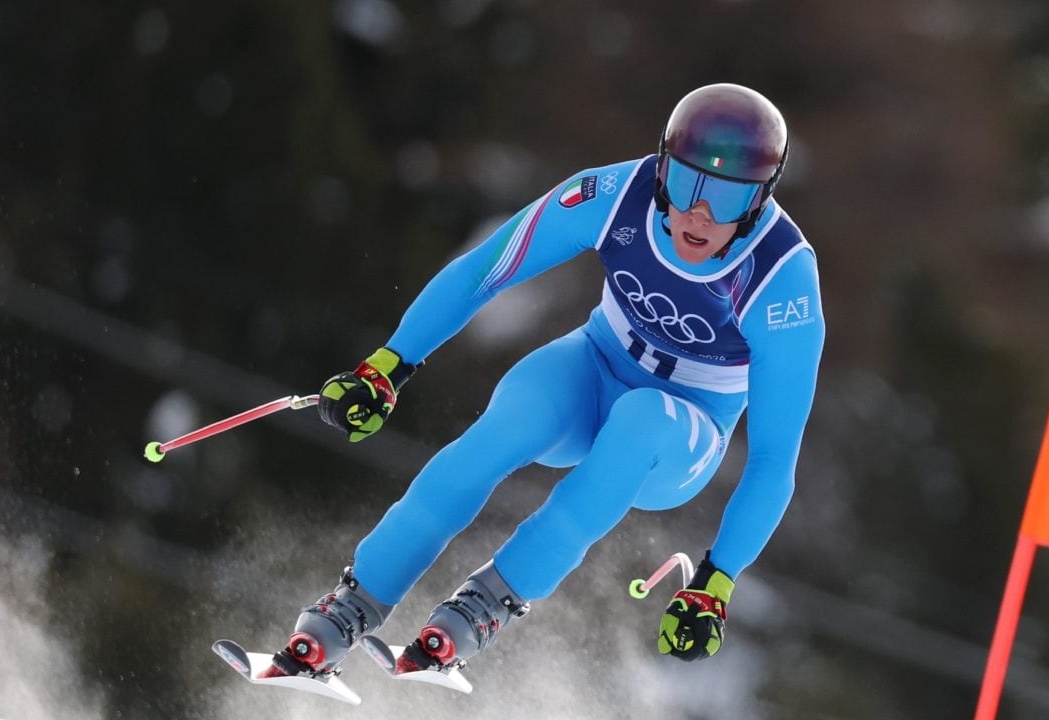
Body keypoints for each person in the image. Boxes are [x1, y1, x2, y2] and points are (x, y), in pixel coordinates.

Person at [266, 83, 825, 680]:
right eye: (688, 183)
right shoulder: (613, 196)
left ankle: (486, 604)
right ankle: (354, 602)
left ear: (761, 199)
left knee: (640, 419)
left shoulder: (782, 279)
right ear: (662, 168)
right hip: (595, 365)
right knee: (513, 421)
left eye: (728, 197)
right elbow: (487, 268)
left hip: (681, 436)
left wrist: (716, 581)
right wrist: (388, 366)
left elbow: (773, 459)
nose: (699, 214)